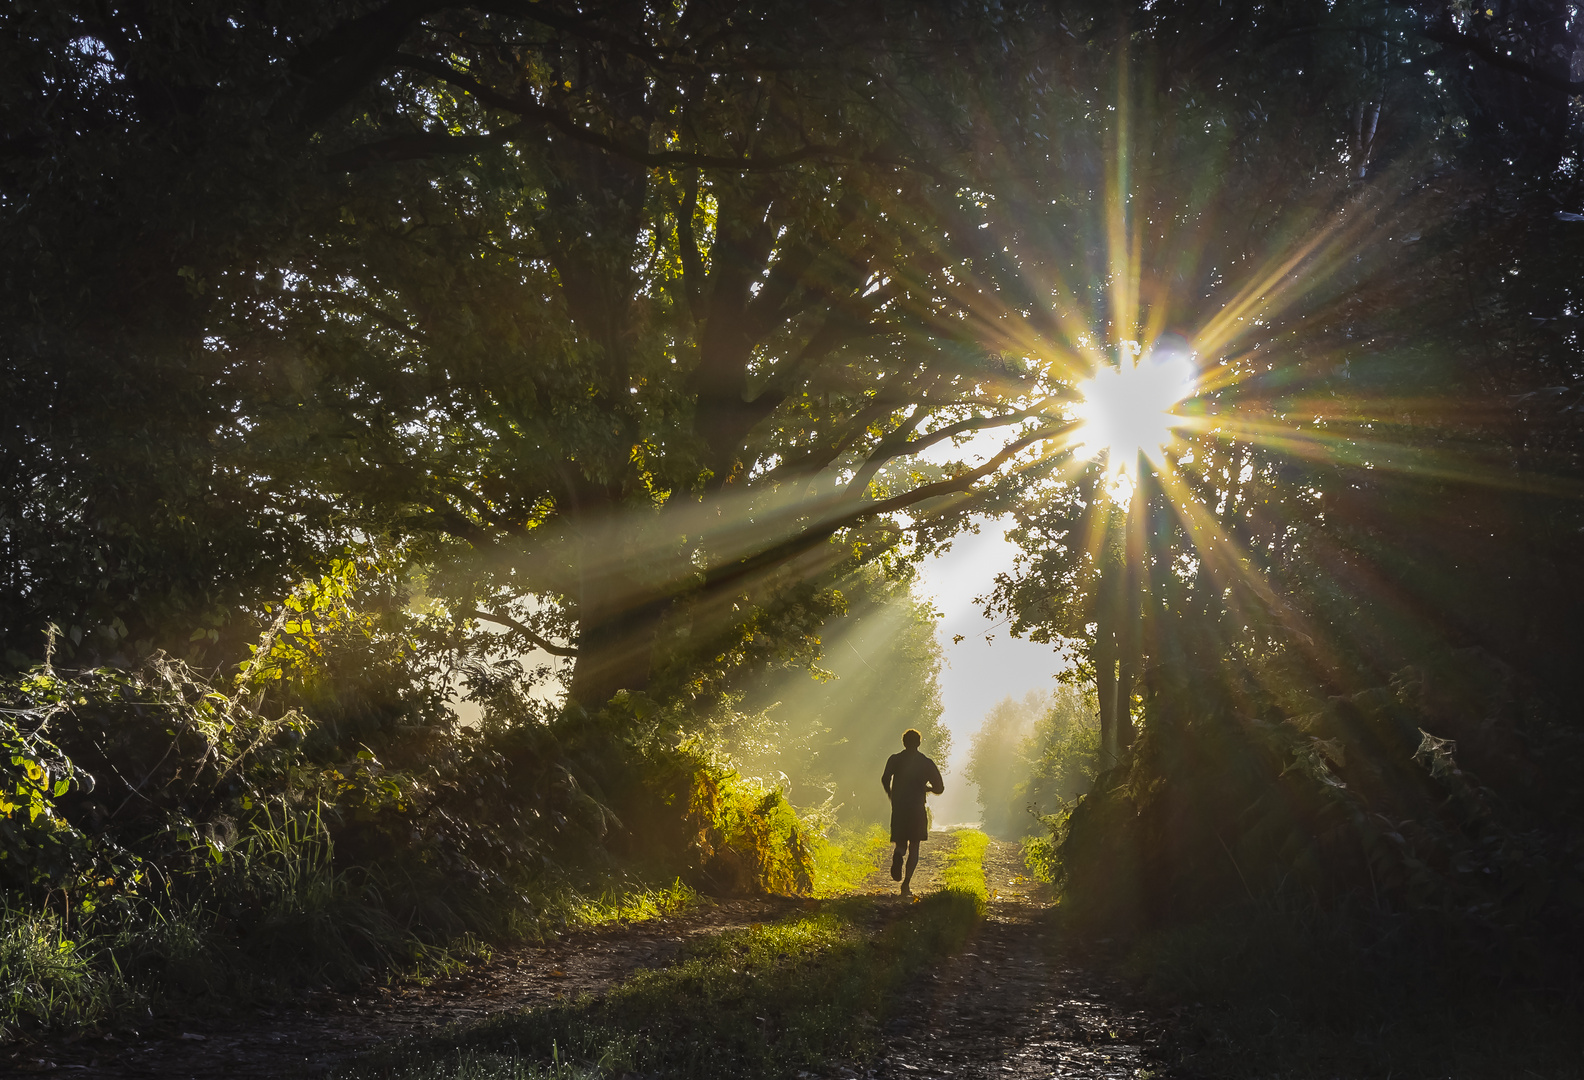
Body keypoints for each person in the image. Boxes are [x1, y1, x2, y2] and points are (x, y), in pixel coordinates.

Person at [881, 728, 944, 899]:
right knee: (915, 845)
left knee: (901, 842)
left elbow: (885, 778)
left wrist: (890, 793)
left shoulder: (895, 759)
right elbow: (940, 788)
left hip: (899, 807)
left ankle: (898, 854)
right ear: (919, 743)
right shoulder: (926, 763)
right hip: (917, 808)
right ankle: (906, 884)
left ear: (904, 742)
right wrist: (927, 788)